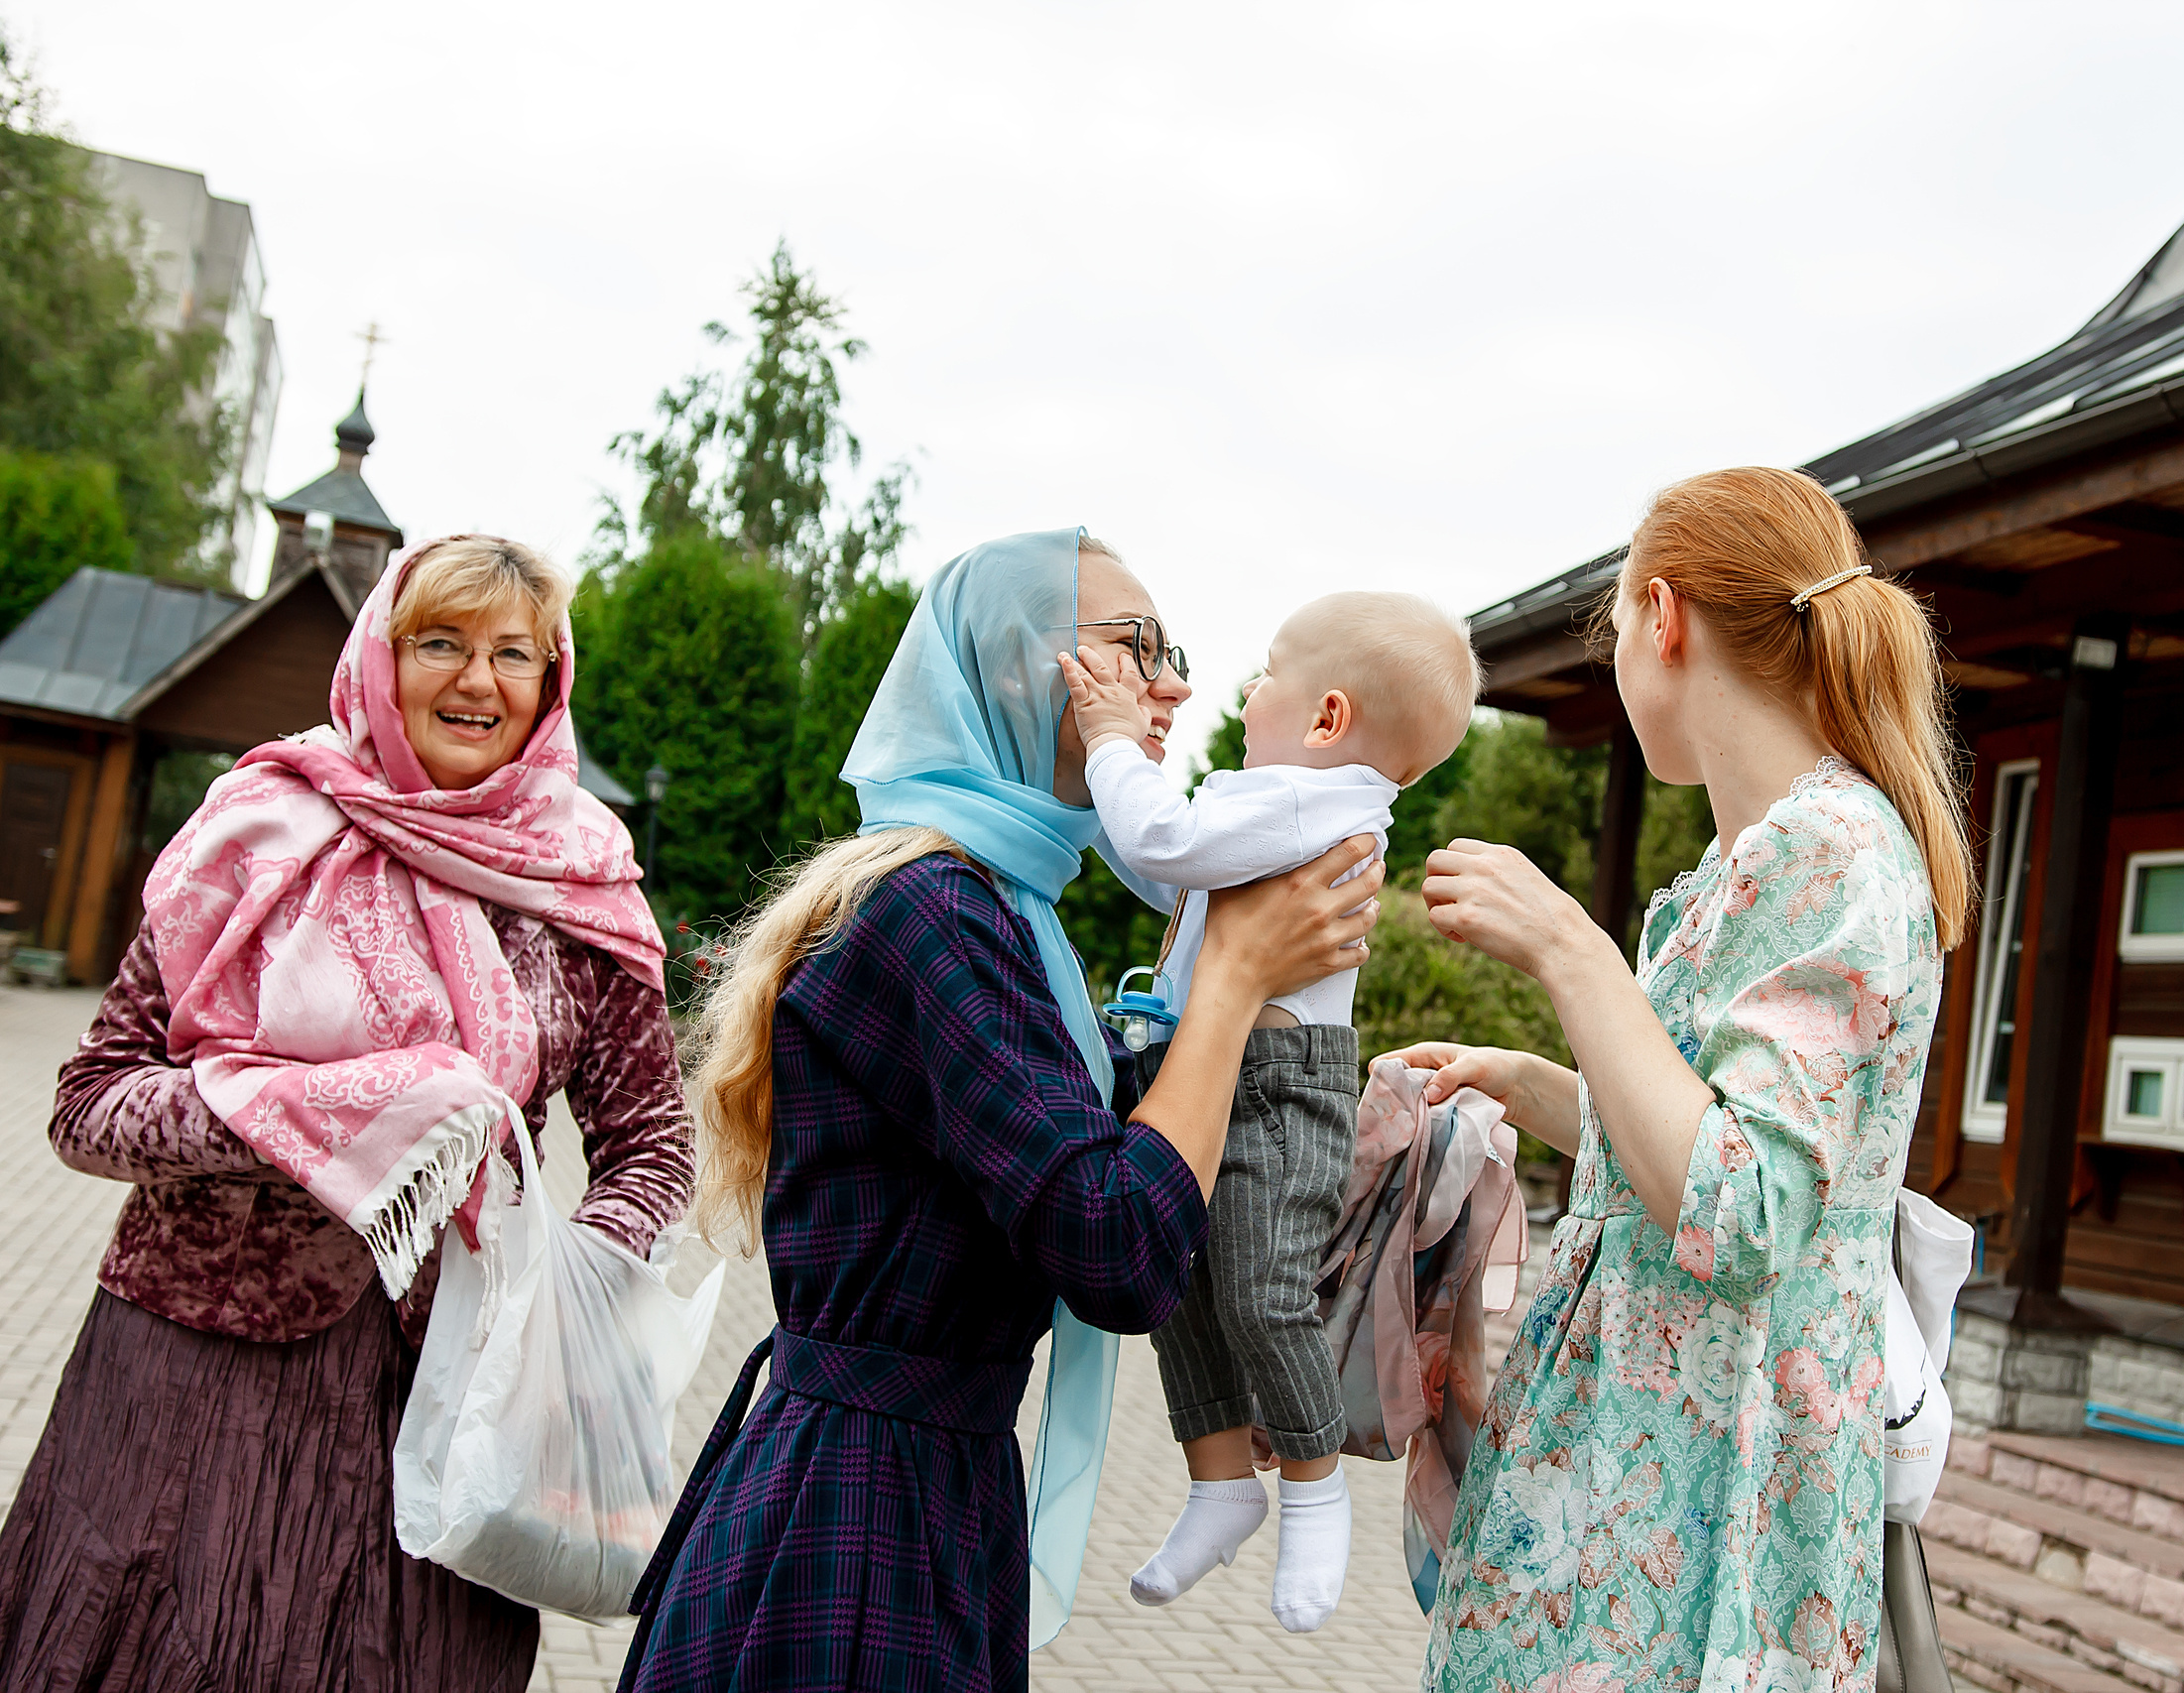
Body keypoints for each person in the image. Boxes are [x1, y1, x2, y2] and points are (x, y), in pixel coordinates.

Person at [615, 530, 1385, 1693]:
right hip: (861, 1514)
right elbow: (1117, 1245)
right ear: (1020, 669)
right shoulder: (933, 911)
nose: (1174, 685)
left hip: (908, 1484)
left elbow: (1136, 1159)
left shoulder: (999, 907)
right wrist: (1232, 978)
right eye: (1135, 648)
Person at [0, 536, 693, 1692]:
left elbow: (653, 1148)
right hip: (197, 1374)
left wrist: (557, 1297)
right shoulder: (255, 828)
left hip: (450, 1396)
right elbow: (90, 1102)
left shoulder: (583, 879)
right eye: (441, 643)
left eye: (512, 653)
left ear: (550, 680)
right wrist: (314, 1118)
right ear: (382, 656)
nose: (477, 681)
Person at [1390, 468, 1972, 1691]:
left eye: (1613, 626)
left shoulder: (1830, 850)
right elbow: (1690, 1143)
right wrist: (1531, 1086)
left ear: (1663, 617)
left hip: (1704, 1492)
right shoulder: (1749, 861)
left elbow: (1744, 1210)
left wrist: (1571, 951)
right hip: (1636, 1480)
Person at [1058, 589, 1479, 1632]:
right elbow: (1169, 867)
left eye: (1266, 676)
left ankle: (1314, 1489)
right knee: (1180, 1283)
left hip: (1280, 1088)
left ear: (1327, 717)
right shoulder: (1292, 804)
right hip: (1231, 1070)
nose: (1246, 693)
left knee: (1260, 1292)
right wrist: (1113, 797)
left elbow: (1161, 838)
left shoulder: (1302, 799)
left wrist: (1108, 738)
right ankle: (1220, 1489)